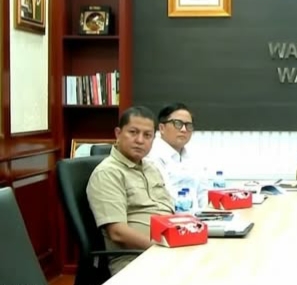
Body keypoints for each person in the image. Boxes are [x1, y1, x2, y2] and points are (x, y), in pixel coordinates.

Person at [86, 106, 175, 276]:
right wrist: (162, 247)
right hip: (135, 259)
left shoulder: (152, 168)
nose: (140, 140)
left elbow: (168, 211)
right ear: (118, 133)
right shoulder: (108, 173)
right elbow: (118, 233)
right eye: (133, 132)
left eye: (147, 135)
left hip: (166, 252)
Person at [147, 102, 209, 211]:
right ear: (162, 128)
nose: (184, 129)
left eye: (188, 125)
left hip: (196, 217)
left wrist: (208, 214)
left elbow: (203, 192)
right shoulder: (152, 156)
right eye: (178, 123)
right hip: (167, 217)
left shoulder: (193, 156)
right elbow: (164, 197)